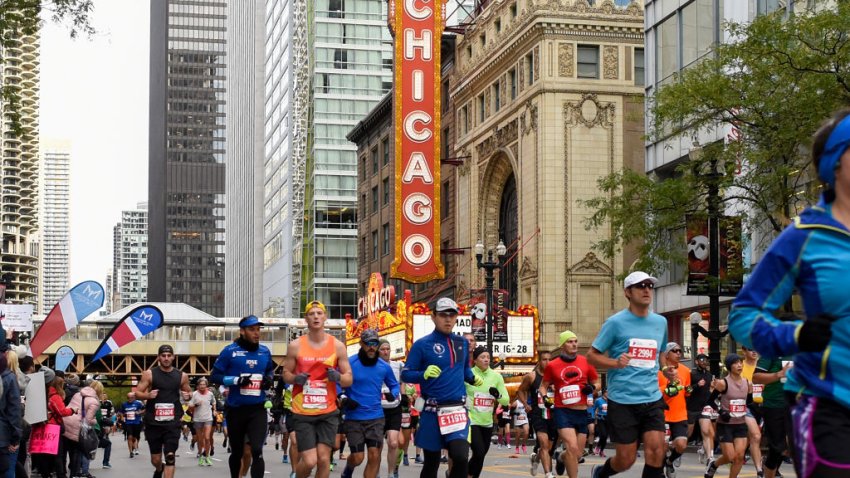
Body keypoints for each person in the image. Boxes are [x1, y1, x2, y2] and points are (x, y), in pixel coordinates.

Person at [728, 108, 850, 478]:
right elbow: (743, 316)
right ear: (836, 163)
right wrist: (795, 335)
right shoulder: (804, 237)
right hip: (828, 406)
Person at [587, 271, 671, 478]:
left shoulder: (660, 322)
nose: (646, 290)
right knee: (626, 459)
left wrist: (666, 369)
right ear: (627, 292)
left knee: (657, 451)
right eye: (640, 286)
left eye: (649, 286)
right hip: (623, 400)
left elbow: (660, 353)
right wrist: (615, 363)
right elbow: (591, 356)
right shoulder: (615, 323)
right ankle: (601, 473)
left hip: (652, 398)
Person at [400, 297, 481, 478]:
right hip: (432, 411)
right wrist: (423, 374)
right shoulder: (422, 344)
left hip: (457, 410)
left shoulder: (462, 343)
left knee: (460, 457)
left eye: (452, 315)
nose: (448, 319)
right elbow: (406, 374)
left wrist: (473, 379)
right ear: (433, 316)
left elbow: (465, 370)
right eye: (443, 315)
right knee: (432, 462)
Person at [282, 301, 352, 478]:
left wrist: (338, 377)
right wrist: (296, 379)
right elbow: (285, 374)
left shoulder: (337, 346)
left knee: (323, 460)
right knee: (310, 460)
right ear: (306, 319)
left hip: (328, 411)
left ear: (325, 317)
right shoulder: (296, 345)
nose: (315, 316)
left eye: (319, 313)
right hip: (303, 411)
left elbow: (348, 379)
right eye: (311, 313)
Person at [211, 315, 277, 478]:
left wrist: (268, 380)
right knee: (237, 451)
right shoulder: (230, 351)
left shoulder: (264, 352)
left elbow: (270, 371)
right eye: (252, 329)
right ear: (242, 331)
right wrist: (236, 380)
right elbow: (215, 376)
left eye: (258, 330)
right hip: (236, 410)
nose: (256, 333)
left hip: (257, 409)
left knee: (256, 450)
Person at [338, 329, 399, 478]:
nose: (372, 347)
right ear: (361, 344)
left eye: (375, 343)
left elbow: (394, 384)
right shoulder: (350, 363)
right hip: (354, 418)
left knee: (374, 456)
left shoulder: (384, 366)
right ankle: (348, 469)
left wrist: (394, 394)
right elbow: (336, 381)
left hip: (376, 418)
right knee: (358, 458)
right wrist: (343, 396)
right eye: (368, 343)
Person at [540, 330, 600, 478]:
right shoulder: (553, 365)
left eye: (575, 341)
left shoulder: (585, 361)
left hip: (581, 412)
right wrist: (545, 397)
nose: (574, 344)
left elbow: (597, 382)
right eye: (569, 341)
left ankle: (560, 458)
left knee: (578, 454)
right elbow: (543, 386)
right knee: (572, 447)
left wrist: (591, 388)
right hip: (563, 412)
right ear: (562, 346)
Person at [135, 344, 193, 478]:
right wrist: (147, 396)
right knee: (155, 459)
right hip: (153, 422)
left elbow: (189, 392)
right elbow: (137, 393)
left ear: (173, 357)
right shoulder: (149, 374)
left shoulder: (182, 376)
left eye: (169, 355)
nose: (166, 358)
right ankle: (159, 469)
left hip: (172, 421)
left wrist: (188, 395)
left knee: (170, 456)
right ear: (158, 357)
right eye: (163, 356)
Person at [704, 354, 753, 478]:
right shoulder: (723, 383)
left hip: (741, 424)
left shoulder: (747, 383)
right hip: (725, 425)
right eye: (736, 363)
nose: (739, 365)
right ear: (729, 366)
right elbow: (710, 401)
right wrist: (721, 412)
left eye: (741, 362)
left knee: (739, 457)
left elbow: (749, 403)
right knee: (729, 456)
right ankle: (714, 465)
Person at [465, 346, 509, 478]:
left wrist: (498, 395)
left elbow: (506, 401)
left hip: (488, 423)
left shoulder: (496, 377)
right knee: (478, 452)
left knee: (481, 455)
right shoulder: (469, 374)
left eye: (488, 358)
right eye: (482, 357)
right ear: (475, 360)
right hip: (472, 420)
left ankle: (464, 474)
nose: (486, 360)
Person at [517, 350, 556, 478]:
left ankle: (536, 459)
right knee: (544, 444)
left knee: (548, 448)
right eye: (544, 359)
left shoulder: (556, 376)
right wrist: (525, 404)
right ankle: (548, 474)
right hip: (538, 414)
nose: (548, 362)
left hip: (553, 414)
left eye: (550, 359)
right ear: (539, 361)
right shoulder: (532, 377)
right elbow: (521, 391)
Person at [656, 342, 691, 478]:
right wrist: (667, 389)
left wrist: (689, 390)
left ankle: (669, 462)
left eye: (680, 351)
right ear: (666, 355)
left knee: (681, 445)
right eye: (675, 351)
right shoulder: (659, 372)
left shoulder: (685, 371)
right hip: (663, 413)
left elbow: (687, 391)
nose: (678, 354)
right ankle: (660, 472)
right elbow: (655, 392)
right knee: (662, 446)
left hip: (680, 413)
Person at [753, 358, 792, 478]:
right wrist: (779, 374)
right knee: (777, 449)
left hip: (797, 405)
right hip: (774, 405)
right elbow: (756, 378)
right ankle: (769, 469)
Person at [31, 368, 75, 478]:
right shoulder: (54, 396)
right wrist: (73, 410)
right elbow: (62, 412)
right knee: (57, 454)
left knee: (42, 453)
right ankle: (60, 475)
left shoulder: (36, 393)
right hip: (53, 428)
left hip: (39, 426)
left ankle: (45, 474)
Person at [377, 339, 405, 478]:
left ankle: (390, 473)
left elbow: (402, 382)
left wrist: (403, 396)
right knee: (377, 446)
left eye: (388, 349)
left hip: (394, 408)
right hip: (377, 409)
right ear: (377, 351)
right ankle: (375, 472)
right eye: (382, 349)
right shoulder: (373, 366)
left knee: (394, 443)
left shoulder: (397, 365)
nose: (386, 351)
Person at [63, 379, 100, 478]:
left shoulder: (77, 394)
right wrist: (95, 421)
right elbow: (87, 421)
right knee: (76, 452)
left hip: (65, 422)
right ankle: (74, 474)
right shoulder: (94, 402)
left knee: (64, 451)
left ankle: (62, 473)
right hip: (76, 427)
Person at [739, 347, 763, 477]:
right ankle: (759, 470)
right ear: (744, 351)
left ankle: (738, 457)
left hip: (764, 405)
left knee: (753, 438)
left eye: (756, 349)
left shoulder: (763, 365)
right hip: (746, 405)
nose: (754, 351)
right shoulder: (739, 366)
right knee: (755, 436)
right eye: (750, 349)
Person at [688, 354, 715, 464]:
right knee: (687, 434)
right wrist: (696, 385)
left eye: (706, 360)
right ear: (696, 361)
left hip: (704, 408)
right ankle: (676, 452)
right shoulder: (691, 374)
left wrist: (713, 389)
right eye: (702, 359)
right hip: (692, 408)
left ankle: (710, 458)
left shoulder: (709, 375)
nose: (704, 362)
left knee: (706, 432)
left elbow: (709, 392)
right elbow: (687, 389)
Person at [0, 352, 21, 476]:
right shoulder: (9, 377)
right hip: (3, 437)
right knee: (7, 471)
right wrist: (15, 439)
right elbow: (14, 411)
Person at [190, 377, 216, 466]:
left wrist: (214, 410)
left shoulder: (210, 394)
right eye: (200, 385)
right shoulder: (194, 394)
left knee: (207, 438)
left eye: (204, 384)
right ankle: (201, 455)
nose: (202, 386)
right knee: (200, 439)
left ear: (206, 385)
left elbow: (213, 402)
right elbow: (190, 407)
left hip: (208, 418)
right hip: (197, 419)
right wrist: (196, 404)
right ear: (198, 386)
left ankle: (207, 457)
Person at [118, 392, 144, 458]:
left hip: (136, 423)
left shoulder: (138, 403)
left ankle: (133, 446)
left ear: (134, 398)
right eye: (128, 398)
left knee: (134, 438)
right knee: (129, 437)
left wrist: (139, 412)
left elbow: (144, 409)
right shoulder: (124, 404)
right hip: (128, 423)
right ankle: (131, 452)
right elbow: (121, 412)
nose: (130, 399)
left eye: (131, 397)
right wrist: (122, 417)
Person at [98, 392, 114, 469]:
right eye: (102, 396)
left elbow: (112, 409)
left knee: (106, 430)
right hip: (100, 418)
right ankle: (106, 462)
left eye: (105, 395)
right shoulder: (98, 402)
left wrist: (110, 415)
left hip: (106, 418)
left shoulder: (109, 402)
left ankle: (106, 436)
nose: (104, 397)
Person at [593, 390, 609, 457]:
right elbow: (593, 409)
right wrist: (595, 416)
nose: (608, 394)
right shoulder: (598, 400)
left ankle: (601, 451)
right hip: (601, 419)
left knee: (605, 437)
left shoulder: (611, 401)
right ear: (604, 393)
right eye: (607, 392)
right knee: (603, 434)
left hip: (608, 419)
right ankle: (598, 446)